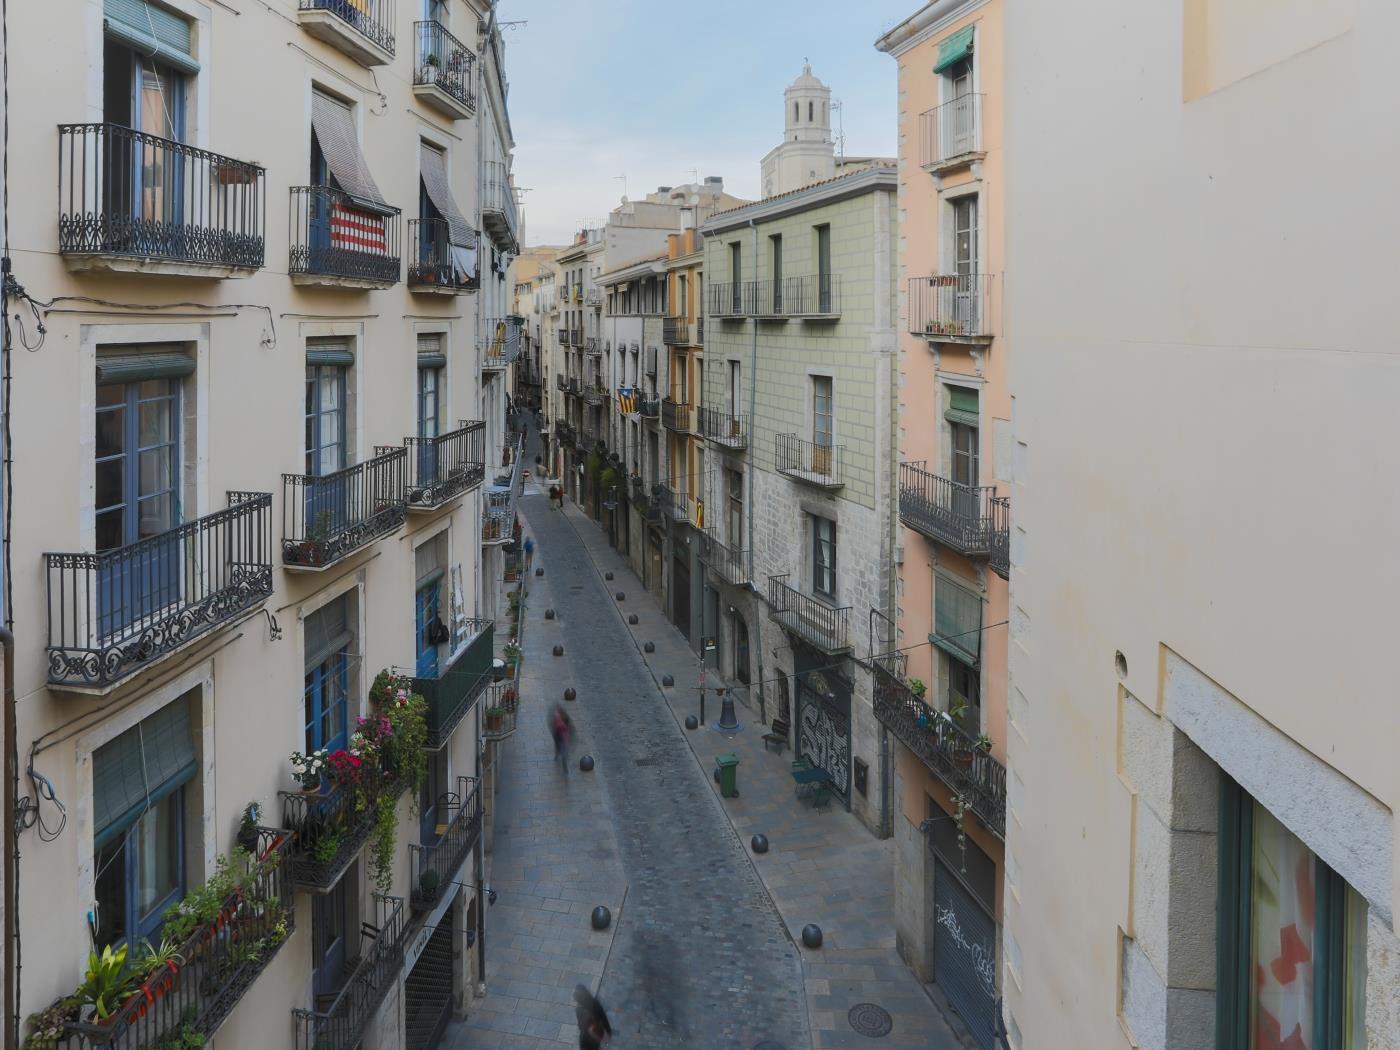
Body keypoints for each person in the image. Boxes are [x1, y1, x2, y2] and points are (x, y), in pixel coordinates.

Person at [573, 985, 612, 1049]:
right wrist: (608, 1030)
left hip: (588, 1038)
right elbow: (603, 1017)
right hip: (593, 1037)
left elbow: (580, 1025)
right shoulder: (595, 1003)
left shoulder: (579, 1009)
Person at [550, 704, 572, 775]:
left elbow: (568, 727)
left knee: (562, 750)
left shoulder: (561, 719)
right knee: (560, 748)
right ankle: (559, 754)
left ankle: (562, 759)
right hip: (560, 737)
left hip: (562, 737)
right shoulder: (559, 719)